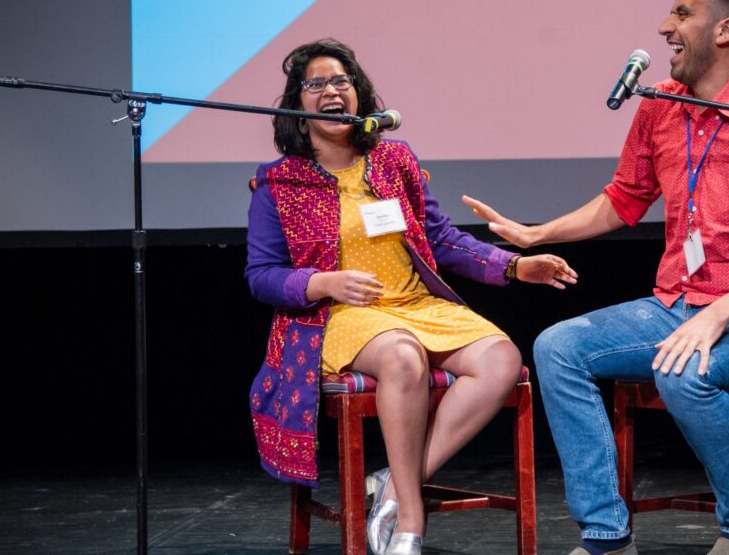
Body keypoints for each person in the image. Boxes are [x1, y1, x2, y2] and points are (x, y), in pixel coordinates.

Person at [463, 0, 729, 555]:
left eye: (683, 13)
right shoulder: (660, 105)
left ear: (725, 31)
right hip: (678, 304)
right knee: (558, 347)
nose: (666, 26)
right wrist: (537, 236)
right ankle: (607, 535)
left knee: (682, 369)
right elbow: (621, 201)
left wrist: (717, 316)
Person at [246, 38, 577, 555]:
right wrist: (321, 282)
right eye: (316, 84)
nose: (332, 91)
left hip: (412, 305)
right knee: (402, 356)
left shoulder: (394, 160)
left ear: (360, 96)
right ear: (296, 104)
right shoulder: (279, 184)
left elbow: (440, 239)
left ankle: (396, 486)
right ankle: (410, 522)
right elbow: (262, 275)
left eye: (342, 81)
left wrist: (515, 266)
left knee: (501, 359)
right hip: (337, 317)